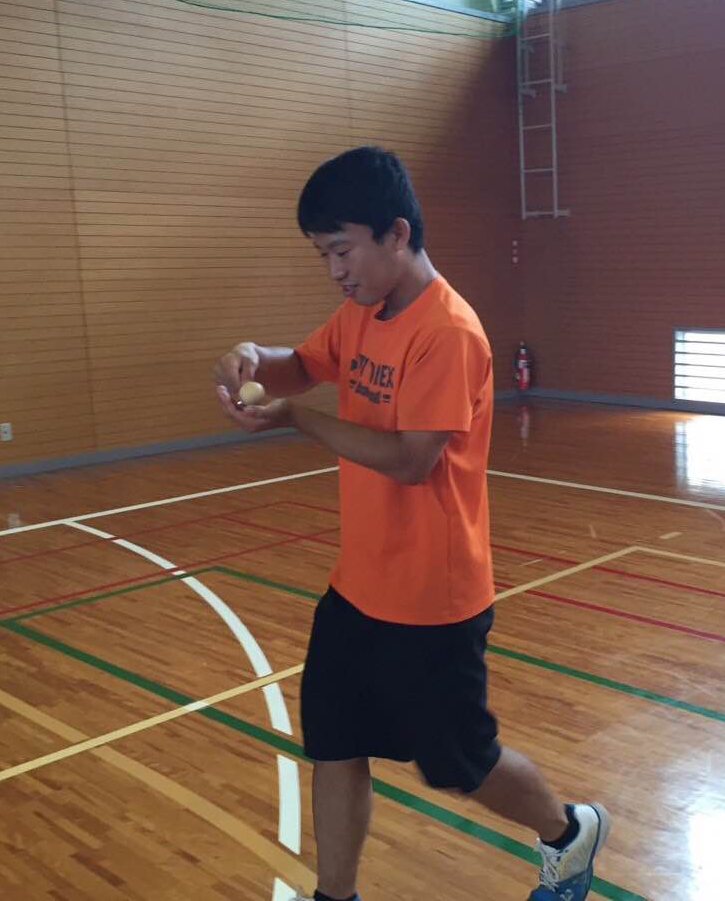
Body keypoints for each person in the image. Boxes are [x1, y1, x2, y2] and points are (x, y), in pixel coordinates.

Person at [212, 146, 610, 901]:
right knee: (335, 744)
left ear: (396, 233)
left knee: (460, 763)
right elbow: (303, 363)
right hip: (357, 587)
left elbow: (409, 459)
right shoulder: (363, 311)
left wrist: (296, 419)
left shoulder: (449, 332)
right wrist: (251, 358)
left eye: (342, 249)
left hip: (434, 599)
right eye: (323, 254)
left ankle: (569, 831)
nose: (335, 269)